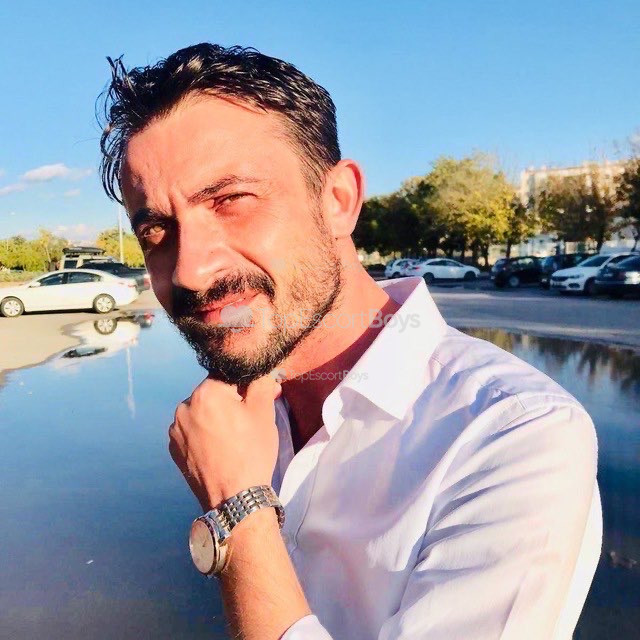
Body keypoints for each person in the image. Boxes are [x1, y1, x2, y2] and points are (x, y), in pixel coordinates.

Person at [99, 44, 601, 640]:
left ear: (338, 201)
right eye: (157, 232)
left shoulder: (513, 434)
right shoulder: (242, 415)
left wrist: (237, 508)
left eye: (231, 201)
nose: (189, 272)